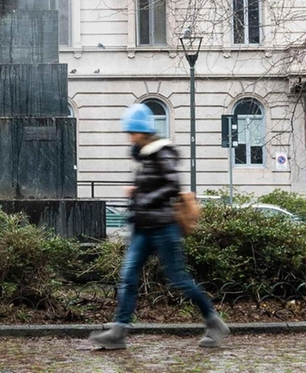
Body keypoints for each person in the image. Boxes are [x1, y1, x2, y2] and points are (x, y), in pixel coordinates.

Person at [88, 103, 230, 350]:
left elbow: (172, 185)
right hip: (143, 227)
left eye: (132, 132)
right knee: (128, 277)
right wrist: (137, 192)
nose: (130, 137)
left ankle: (214, 322)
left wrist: (143, 196)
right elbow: (149, 180)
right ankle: (118, 332)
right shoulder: (143, 156)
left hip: (164, 227)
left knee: (179, 280)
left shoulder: (161, 152)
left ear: (143, 131)